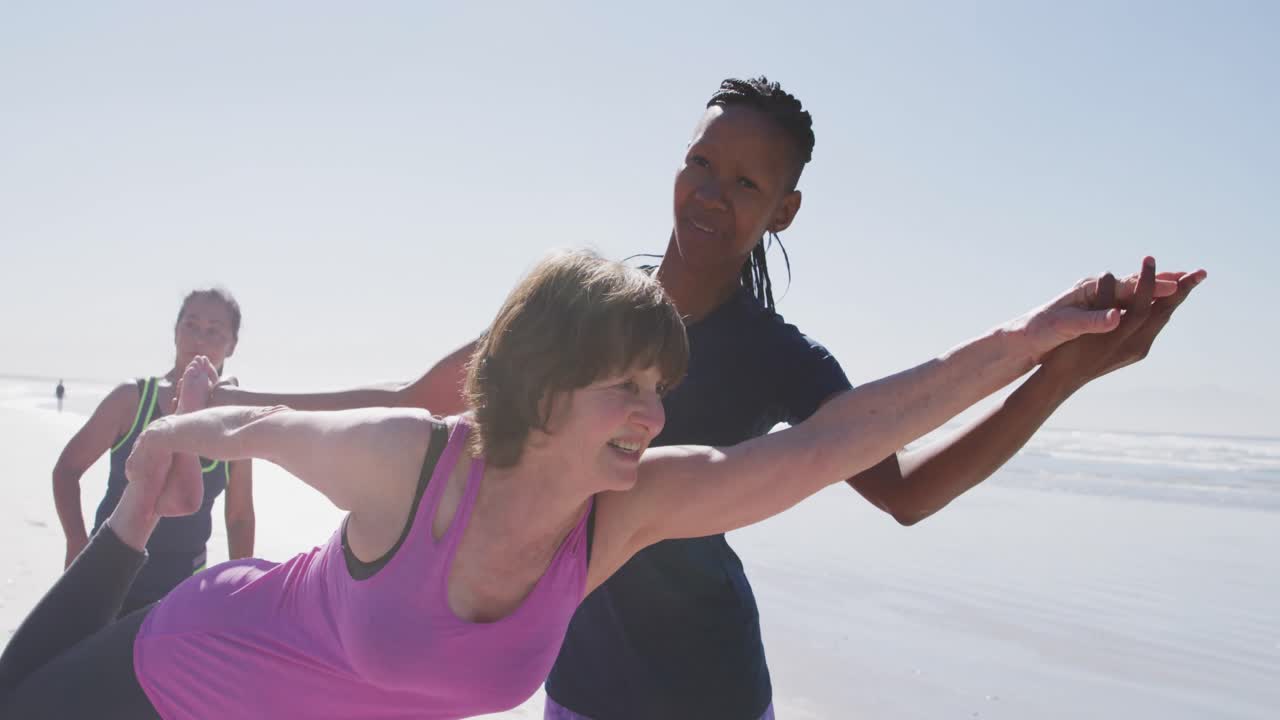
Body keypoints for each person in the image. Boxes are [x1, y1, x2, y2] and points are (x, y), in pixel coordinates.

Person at [214, 78, 1206, 720]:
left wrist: (1058, 373)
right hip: (575, 681)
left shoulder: (780, 358)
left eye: (744, 182)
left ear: (784, 210)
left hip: (709, 689)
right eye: (699, 163)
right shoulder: (581, 311)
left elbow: (904, 491)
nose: (709, 193)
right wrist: (236, 405)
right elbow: (413, 400)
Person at [0, 249, 1190, 719]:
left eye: (656, 387)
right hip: (178, 668)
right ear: (537, 385)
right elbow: (258, 424)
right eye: (624, 385)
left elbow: (839, 438)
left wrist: (1030, 341)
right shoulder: (410, 464)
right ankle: (120, 540)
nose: (652, 414)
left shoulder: (620, 517)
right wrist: (159, 461)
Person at [50, 288, 256, 616]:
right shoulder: (131, 399)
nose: (199, 338)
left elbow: (239, 517)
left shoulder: (234, 423)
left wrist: (243, 594)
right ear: (175, 330)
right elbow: (67, 470)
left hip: (180, 595)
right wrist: (76, 542)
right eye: (191, 325)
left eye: (214, 331)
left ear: (232, 344)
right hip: (105, 579)